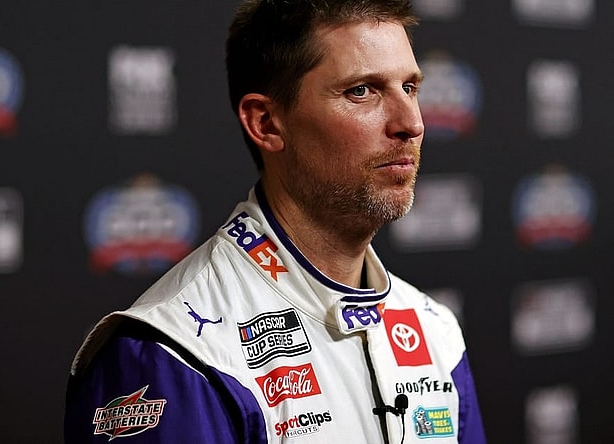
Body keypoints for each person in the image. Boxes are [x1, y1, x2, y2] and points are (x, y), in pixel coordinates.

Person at [64, 0, 486, 443]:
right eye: (362, 91)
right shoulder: (176, 351)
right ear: (266, 123)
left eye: (410, 87)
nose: (411, 123)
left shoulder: (434, 329)